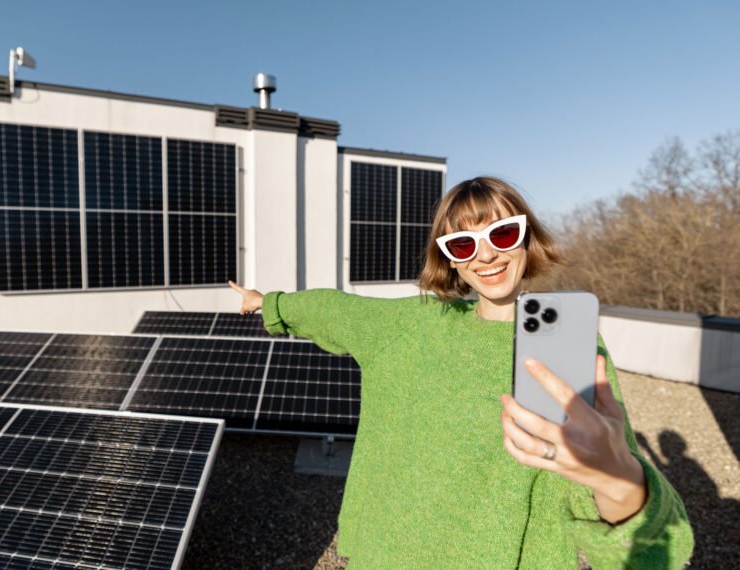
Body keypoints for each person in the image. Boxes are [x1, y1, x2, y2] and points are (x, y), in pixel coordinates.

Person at [228, 176, 693, 569]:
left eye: (503, 235)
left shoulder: (571, 347)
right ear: (449, 257)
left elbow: (646, 541)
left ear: (527, 237)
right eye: (464, 243)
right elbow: (334, 310)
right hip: (383, 553)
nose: (485, 256)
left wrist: (616, 479)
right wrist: (269, 303)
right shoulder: (411, 325)